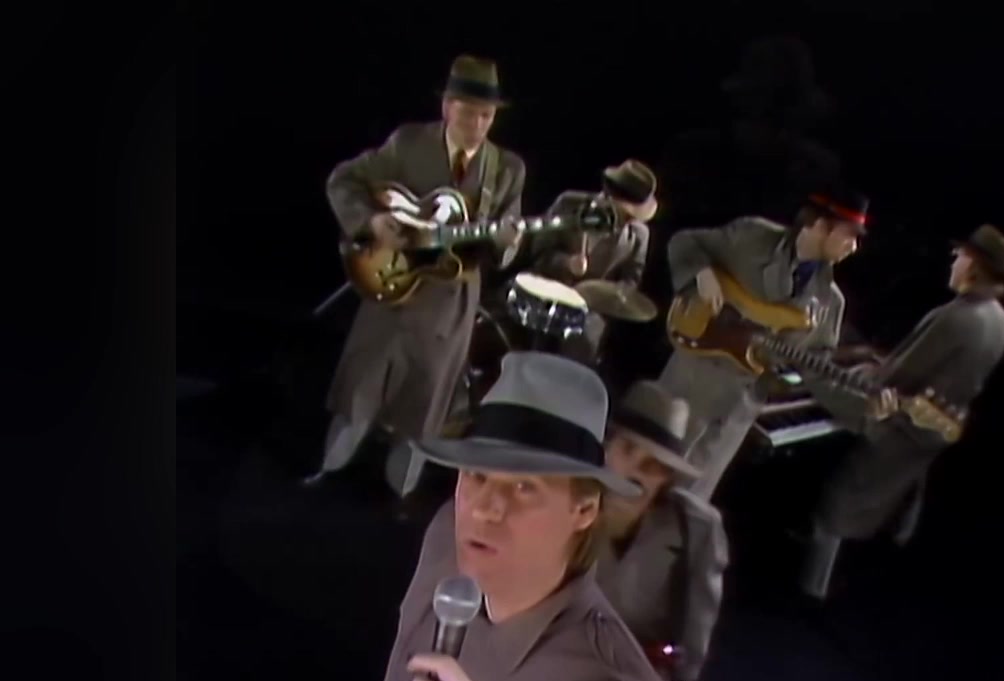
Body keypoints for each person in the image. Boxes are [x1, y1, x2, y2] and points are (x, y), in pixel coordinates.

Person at [367, 352, 676, 681]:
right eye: (477, 475)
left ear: (584, 510)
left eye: (523, 486)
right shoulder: (448, 539)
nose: (484, 509)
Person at [308, 55, 527, 497]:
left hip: (449, 307)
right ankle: (326, 472)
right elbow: (343, 180)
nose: (477, 124)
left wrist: (508, 241)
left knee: (423, 412)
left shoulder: (506, 169)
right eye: (467, 112)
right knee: (358, 392)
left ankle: (399, 498)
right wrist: (371, 222)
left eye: (486, 116)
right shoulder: (409, 143)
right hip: (392, 289)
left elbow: (505, 247)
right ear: (446, 107)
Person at [797, 224, 1004, 600]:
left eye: (960, 256)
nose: (953, 262)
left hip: (897, 427)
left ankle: (808, 594)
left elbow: (892, 381)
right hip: (928, 435)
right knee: (874, 503)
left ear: (974, 267)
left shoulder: (956, 316)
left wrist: (842, 372)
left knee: (838, 504)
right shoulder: (999, 318)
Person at [658, 187, 871, 500]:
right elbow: (685, 242)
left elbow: (819, 372)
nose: (853, 247)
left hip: (736, 413)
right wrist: (702, 272)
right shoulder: (753, 237)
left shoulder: (830, 302)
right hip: (690, 384)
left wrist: (866, 406)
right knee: (642, 476)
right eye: (849, 235)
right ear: (819, 224)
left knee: (683, 504)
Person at [594, 380, 729, 681]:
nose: (636, 471)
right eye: (628, 449)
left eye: (654, 464)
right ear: (607, 449)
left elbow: (691, 650)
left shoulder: (695, 529)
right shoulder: (564, 504)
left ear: (668, 476)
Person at [521, 159, 658, 361]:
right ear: (608, 197)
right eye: (625, 215)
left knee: (582, 347)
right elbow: (539, 253)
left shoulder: (639, 234)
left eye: (634, 218)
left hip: (589, 313)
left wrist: (604, 293)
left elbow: (631, 280)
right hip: (546, 296)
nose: (629, 222)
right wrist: (567, 263)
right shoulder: (569, 205)